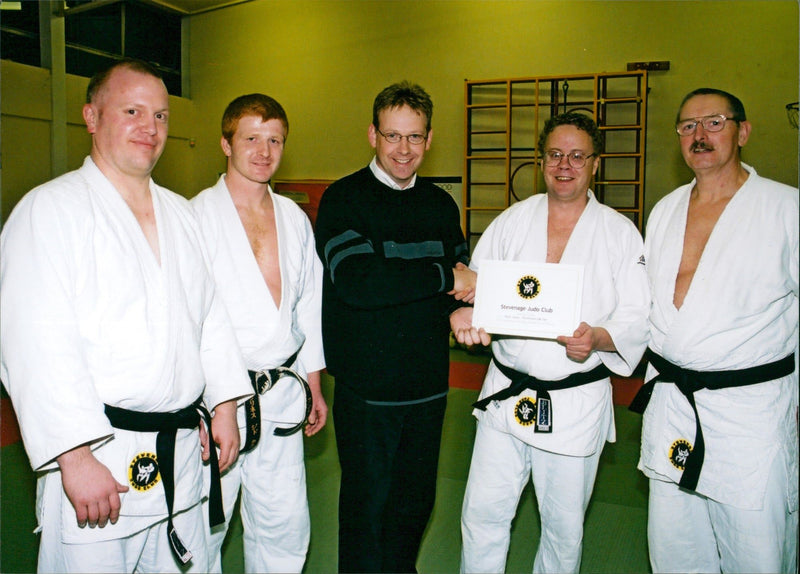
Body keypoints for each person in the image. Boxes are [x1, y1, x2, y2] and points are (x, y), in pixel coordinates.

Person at [0, 59, 253, 573]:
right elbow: (34, 340)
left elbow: (211, 318)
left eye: (161, 115)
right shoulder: (49, 210)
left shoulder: (182, 215)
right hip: (102, 462)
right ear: (91, 117)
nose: (150, 127)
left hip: (181, 454)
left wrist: (224, 403)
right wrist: (73, 455)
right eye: (133, 110)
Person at [451, 112, 650, 574]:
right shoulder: (511, 221)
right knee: (482, 515)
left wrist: (598, 338)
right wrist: (465, 313)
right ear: (541, 161)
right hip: (506, 394)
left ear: (595, 164)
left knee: (563, 531)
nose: (565, 165)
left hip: (574, 401)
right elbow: (480, 290)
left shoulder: (620, 233)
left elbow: (638, 316)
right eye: (555, 155)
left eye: (577, 156)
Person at [632, 88, 798, 573]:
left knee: (756, 551)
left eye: (714, 123)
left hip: (748, 415)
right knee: (676, 548)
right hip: (673, 408)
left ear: (742, 132)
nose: (699, 135)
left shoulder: (785, 209)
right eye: (687, 126)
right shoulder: (664, 210)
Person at [314, 81, 475, 573]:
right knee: (367, 510)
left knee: (414, 506)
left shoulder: (440, 205)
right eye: (392, 136)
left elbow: (463, 274)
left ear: (429, 139)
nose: (403, 150)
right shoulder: (344, 199)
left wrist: (461, 305)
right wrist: (445, 278)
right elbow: (361, 283)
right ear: (372, 135)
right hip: (368, 392)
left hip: (428, 384)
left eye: (414, 137)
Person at [191, 93, 328, 573]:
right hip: (217, 399)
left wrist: (314, 383)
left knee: (284, 524)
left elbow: (308, 303)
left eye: (275, 140)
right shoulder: (195, 217)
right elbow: (191, 319)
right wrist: (212, 401)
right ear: (226, 144)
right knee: (206, 523)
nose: (264, 151)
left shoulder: (294, 217)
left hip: (284, 392)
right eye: (251, 139)